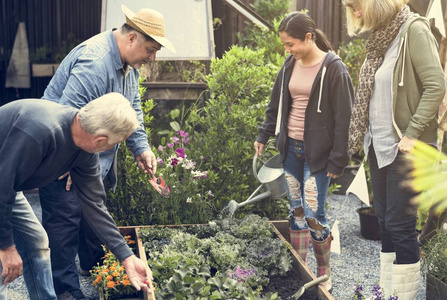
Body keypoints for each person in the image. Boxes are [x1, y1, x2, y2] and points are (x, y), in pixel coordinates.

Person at [38, 5, 175, 299]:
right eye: (150, 49)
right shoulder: (95, 64)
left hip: (88, 159)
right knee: (63, 224)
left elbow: (132, 108)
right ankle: (67, 292)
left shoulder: (129, 66)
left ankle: (95, 268)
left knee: (91, 214)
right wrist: (69, 163)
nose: (152, 57)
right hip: (61, 157)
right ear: (132, 39)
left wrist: (141, 147)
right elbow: (66, 117)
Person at [0, 93, 155, 300]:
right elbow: (2, 188)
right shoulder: (40, 132)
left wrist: (127, 258)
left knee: (36, 242)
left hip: (6, 184)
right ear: (101, 140)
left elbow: (94, 205)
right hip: (2, 185)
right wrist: (6, 247)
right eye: (114, 145)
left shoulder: (85, 152)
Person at [342, 0, 446, 299]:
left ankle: (405, 296)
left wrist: (412, 133)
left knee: (400, 225)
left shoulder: (413, 29)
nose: (355, 13)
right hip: (379, 144)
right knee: (385, 222)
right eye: (350, 8)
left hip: (407, 146)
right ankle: (388, 293)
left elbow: (436, 84)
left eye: (357, 5)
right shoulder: (379, 40)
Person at [254, 12, 354, 292]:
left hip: (318, 156)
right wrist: (264, 134)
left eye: (291, 44)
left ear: (308, 38)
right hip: (291, 152)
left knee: (313, 215)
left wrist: (338, 159)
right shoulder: (289, 65)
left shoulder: (335, 69)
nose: (287, 50)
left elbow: (345, 119)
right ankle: (301, 268)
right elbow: (275, 103)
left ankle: (323, 272)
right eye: (285, 45)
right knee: (296, 211)